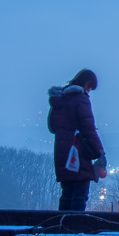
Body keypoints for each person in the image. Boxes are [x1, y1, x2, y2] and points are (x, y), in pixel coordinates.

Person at [48, 69, 105, 211]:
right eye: (90, 88)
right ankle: (75, 227)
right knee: (80, 192)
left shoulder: (59, 100)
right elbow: (89, 129)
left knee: (66, 193)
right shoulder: (81, 99)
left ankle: (62, 226)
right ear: (86, 84)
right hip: (78, 152)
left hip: (62, 151)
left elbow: (52, 127)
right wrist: (100, 152)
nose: (89, 92)